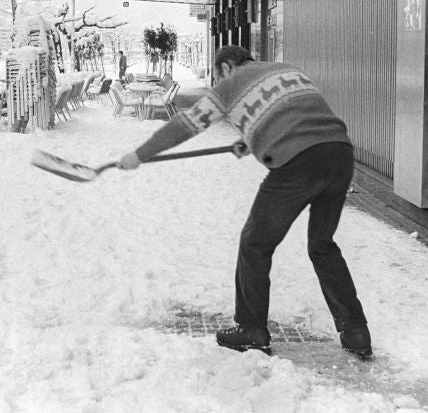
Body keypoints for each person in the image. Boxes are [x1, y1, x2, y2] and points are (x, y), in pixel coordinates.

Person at [118, 45, 371, 358]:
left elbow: (187, 124)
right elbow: (293, 115)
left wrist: (140, 154)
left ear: (225, 68)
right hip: (338, 152)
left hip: (296, 164)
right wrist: (251, 141)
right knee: (322, 245)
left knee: (255, 244)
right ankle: (355, 330)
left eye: (216, 73)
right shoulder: (286, 70)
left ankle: (251, 328)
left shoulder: (231, 83)